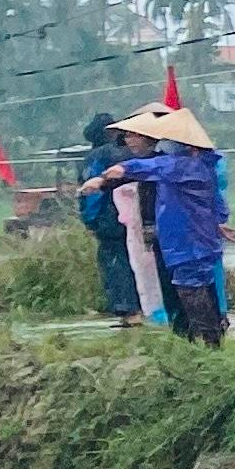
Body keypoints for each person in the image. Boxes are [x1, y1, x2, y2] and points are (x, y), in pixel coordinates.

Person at [83, 105, 229, 344]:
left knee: (188, 287)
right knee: (199, 285)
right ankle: (208, 339)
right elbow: (217, 203)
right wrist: (220, 222)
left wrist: (117, 171)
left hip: (184, 237)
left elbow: (147, 168)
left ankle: (207, 341)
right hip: (193, 235)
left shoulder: (180, 165)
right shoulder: (203, 164)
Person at [74, 110, 143, 326]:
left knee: (116, 264)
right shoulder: (136, 153)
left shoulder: (96, 157)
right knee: (142, 263)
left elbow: (92, 196)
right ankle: (148, 308)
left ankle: (129, 312)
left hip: (110, 220)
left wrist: (90, 221)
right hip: (142, 218)